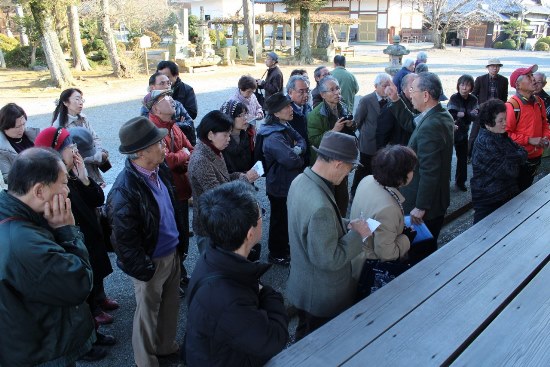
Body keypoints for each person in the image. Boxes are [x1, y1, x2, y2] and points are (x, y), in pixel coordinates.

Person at [0, 148, 95, 366]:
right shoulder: (23, 243)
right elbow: (78, 284)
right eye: (63, 183)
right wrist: (66, 231)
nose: (68, 191)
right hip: (41, 352)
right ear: (39, 191)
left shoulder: (12, 214)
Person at [107, 116, 185, 367]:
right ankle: (146, 362)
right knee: (147, 316)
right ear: (140, 151)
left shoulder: (158, 169)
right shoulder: (124, 189)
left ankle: (166, 347)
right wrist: (143, 268)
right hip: (151, 261)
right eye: (159, 144)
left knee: (170, 306)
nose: (165, 147)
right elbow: (124, 240)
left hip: (171, 253)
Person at [185, 181, 289, 366]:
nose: (262, 220)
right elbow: (274, 339)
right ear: (250, 233)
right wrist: (268, 293)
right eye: (261, 215)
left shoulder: (212, 254)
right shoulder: (228, 299)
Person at [34, 126, 116, 346]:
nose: (75, 150)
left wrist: (84, 178)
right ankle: (90, 339)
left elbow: (98, 199)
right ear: (54, 153)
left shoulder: (72, 175)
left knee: (95, 273)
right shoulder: (55, 185)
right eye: (70, 147)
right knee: (81, 289)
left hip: (90, 237)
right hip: (77, 241)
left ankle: (98, 302)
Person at [286, 131, 372, 341]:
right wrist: (357, 235)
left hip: (303, 284)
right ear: (337, 163)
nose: (347, 175)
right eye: (349, 169)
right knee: (319, 347)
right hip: (323, 295)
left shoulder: (300, 181)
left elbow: (309, 225)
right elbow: (329, 259)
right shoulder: (320, 205)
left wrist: (345, 224)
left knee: (304, 335)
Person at [386, 72, 454, 264]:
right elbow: (411, 123)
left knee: (420, 255)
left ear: (425, 95)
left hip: (425, 207)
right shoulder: (437, 113)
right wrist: (395, 99)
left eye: (412, 90)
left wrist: (420, 207)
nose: (410, 93)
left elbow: (429, 171)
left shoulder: (431, 125)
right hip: (434, 200)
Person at [350, 145, 418, 298]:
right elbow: (387, 254)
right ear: (401, 176)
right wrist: (406, 238)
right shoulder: (388, 208)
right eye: (411, 169)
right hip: (370, 268)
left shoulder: (367, 180)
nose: (413, 172)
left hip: (356, 254)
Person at [188, 111, 259, 254]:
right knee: (215, 265)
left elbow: (224, 177)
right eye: (225, 135)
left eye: (229, 134)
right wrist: (245, 179)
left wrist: (240, 174)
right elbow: (218, 195)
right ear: (210, 135)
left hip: (220, 219)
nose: (228, 139)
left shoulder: (213, 149)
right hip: (210, 225)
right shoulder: (201, 160)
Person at [146, 89, 194, 290]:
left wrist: (181, 156)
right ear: (155, 107)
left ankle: (179, 273)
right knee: (169, 236)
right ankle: (172, 278)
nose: (172, 100)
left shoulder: (173, 126)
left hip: (181, 190)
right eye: (166, 98)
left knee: (182, 235)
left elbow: (191, 149)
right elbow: (166, 162)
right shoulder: (151, 129)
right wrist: (182, 156)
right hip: (166, 193)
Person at [258, 92, 306, 265]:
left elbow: (302, 140)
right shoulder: (273, 136)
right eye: (286, 107)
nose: (290, 108)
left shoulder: (283, 125)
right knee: (279, 221)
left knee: (286, 218)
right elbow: (291, 161)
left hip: (286, 182)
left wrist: (297, 149)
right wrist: (299, 155)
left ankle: (284, 249)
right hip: (279, 186)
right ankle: (277, 253)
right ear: (276, 113)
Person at [471, 100, 527, 223]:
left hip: (505, 196)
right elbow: (510, 171)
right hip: (489, 202)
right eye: (500, 120)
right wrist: (516, 158)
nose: (505, 123)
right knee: (483, 237)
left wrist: (510, 157)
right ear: (488, 122)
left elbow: (524, 152)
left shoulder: (500, 135)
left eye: (505, 119)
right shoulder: (485, 142)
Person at [219, 100, 262, 262]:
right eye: (240, 115)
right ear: (229, 118)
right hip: (231, 194)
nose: (246, 118)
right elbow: (223, 175)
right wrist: (244, 176)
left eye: (245, 114)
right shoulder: (222, 142)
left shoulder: (246, 134)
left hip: (247, 185)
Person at [308, 75, 356, 215]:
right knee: (327, 196)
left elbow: (353, 127)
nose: (337, 93)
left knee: (342, 195)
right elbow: (314, 140)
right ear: (323, 95)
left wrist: (352, 124)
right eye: (332, 90)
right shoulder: (315, 115)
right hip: (325, 163)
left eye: (337, 88)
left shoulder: (343, 106)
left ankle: (341, 220)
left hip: (342, 159)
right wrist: (333, 131)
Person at [52, 88, 110, 186]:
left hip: (92, 167)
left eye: (81, 99)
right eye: (77, 99)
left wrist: (99, 151)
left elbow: (95, 137)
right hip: (77, 171)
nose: (81, 103)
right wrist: (97, 157)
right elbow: (67, 156)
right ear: (66, 103)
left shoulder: (83, 118)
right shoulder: (58, 127)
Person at [506, 64, 550, 191]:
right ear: (518, 85)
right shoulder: (512, 105)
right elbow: (506, 135)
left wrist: (546, 138)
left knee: (527, 190)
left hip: (536, 157)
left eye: (532, 76)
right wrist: (529, 140)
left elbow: (545, 124)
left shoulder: (539, 102)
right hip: (519, 160)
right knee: (515, 195)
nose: (534, 79)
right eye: (529, 76)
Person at [352, 73, 392, 197]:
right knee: (363, 169)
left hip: (385, 143)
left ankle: (375, 194)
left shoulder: (392, 100)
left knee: (381, 169)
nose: (387, 88)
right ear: (376, 86)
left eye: (389, 85)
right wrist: (365, 133)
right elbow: (357, 121)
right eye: (385, 85)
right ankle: (354, 192)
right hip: (369, 142)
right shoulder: (366, 100)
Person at [469, 58, 509, 161]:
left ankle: (493, 155)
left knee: (496, 133)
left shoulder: (504, 80)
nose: (495, 68)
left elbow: (504, 97)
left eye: (497, 66)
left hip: (496, 112)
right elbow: (473, 95)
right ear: (488, 68)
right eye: (492, 66)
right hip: (482, 110)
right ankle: (469, 155)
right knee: (474, 133)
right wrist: (476, 107)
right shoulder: (480, 79)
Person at [141, 71, 196, 145]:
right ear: (152, 87)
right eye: (162, 83)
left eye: (168, 83)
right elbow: (152, 129)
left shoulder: (177, 104)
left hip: (180, 142)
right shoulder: (147, 108)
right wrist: (178, 124)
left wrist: (173, 125)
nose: (167, 86)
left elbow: (190, 123)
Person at [447, 75, 479, 191]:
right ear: (458, 85)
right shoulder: (454, 98)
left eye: (467, 85)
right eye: (462, 84)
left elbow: (475, 116)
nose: (464, 87)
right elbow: (452, 114)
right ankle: (446, 182)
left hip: (463, 133)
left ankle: (460, 182)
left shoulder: (473, 99)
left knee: (462, 159)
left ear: (471, 87)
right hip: (450, 132)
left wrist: (463, 114)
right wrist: (467, 114)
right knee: (446, 159)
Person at [376, 73, 418, 149]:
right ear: (404, 88)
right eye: (412, 87)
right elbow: (381, 136)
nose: (417, 90)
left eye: (419, 87)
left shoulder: (419, 104)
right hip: (398, 155)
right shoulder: (391, 107)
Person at [0, 102, 39, 181]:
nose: (22, 129)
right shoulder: (2, 149)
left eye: (23, 124)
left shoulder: (33, 134)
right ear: (5, 127)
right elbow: (8, 177)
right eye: (17, 127)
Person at [287, 74, 312, 165]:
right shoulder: (283, 111)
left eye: (307, 91)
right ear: (290, 92)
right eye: (301, 92)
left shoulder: (307, 107)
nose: (306, 95)